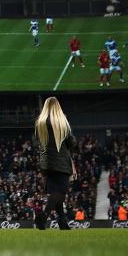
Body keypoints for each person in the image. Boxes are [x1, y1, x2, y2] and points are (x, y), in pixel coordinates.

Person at [33, 96, 75, 230]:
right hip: (61, 162)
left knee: (55, 192)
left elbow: (36, 143)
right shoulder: (62, 122)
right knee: (60, 191)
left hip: (46, 163)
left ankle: (62, 222)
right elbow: (71, 143)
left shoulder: (40, 123)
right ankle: (43, 216)